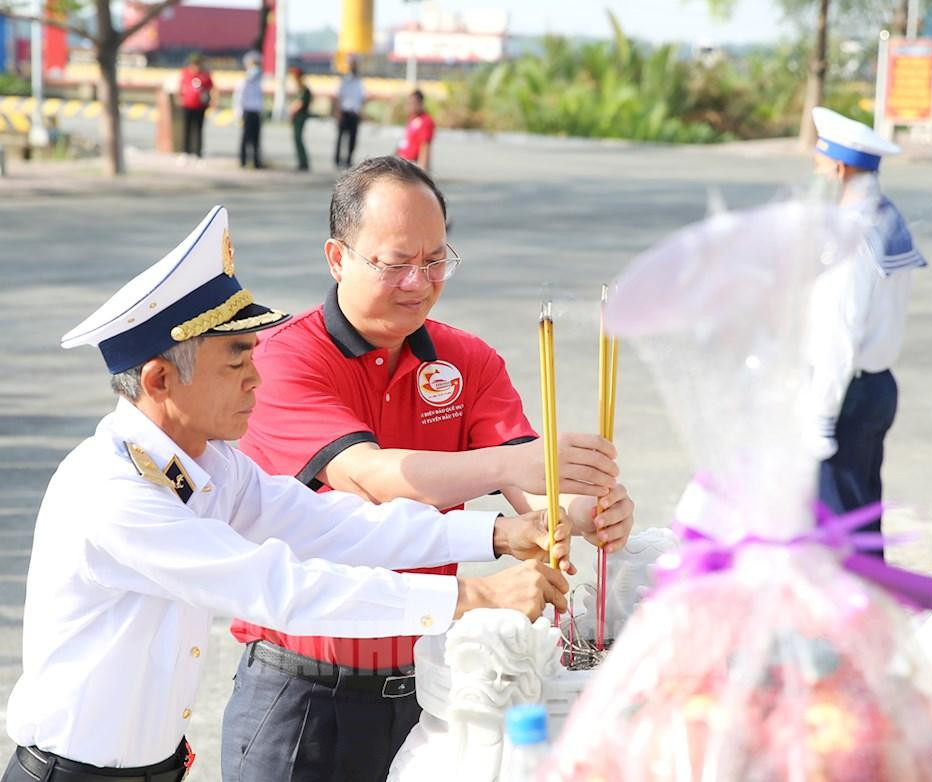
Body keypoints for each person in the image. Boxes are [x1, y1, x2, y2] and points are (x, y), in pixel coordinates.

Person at [0, 205, 573, 782]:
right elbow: (280, 587)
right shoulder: (115, 491)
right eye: (236, 361)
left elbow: (330, 525)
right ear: (159, 379)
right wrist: (471, 596)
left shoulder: (208, 463)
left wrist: (496, 533)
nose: (256, 378)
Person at [221, 156, 635, 782]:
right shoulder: (284, 358)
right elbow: (371, 478)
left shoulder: (466, 359)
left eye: (437, 259)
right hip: (302, 695)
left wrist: (582, 513)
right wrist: (517, 463)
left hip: (429, 689)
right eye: (396, 262)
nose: (419, 280)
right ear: (338, 258)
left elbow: (530, 495)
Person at [808, 106, 927, 559]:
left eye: (819, 166)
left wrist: (820, 417)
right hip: (876, 387)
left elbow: (840, 334)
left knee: (837, 533)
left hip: (845, 394)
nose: (817, 175)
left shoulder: (852, 235)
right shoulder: (885, 218)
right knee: (860, 517)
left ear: (838, 169)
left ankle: (857, 625)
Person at [178, 52, 213, 158]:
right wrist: (180, 98)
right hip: (188, 105)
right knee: (186, 129)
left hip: (200, 106)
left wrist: (212, 101)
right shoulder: (185, 73)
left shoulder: (205, 75)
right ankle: (186, 152)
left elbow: (211, 89)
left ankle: (198, 153)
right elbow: (181, 87)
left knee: (198, 130)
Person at [234, 51, 264, 169]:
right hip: (247, 111)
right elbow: (239, 98)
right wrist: (239, 113)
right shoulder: (244, 81)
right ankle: (243, 160)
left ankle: (256, 161)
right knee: (246, 138)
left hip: (256, 111)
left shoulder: (258, 81)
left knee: (256, 138)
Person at [335, 60, 365, 169]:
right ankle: (337, 160)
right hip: (345, 112)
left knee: (352, 139)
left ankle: (348, 159)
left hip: (354, 113)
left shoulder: (359, 82)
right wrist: (338, 111)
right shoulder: (345, 81)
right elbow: (339, 96)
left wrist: (361, 112)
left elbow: (361, 99)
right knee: (341, 138)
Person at [397, 89, 435, 171]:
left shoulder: (426, 121)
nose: (410, 106)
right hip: (403, 162)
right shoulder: (412, 119)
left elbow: (425, 145)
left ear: (420, 104)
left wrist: (422, 169)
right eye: (409, 103)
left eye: (413, 103)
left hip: (413, 165)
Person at [289, 66, 312, 172]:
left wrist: (292, 110)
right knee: (297, 139)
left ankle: (303, 162)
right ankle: (301, 161)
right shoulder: (300, 89)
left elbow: (299, 104)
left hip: (300, 117)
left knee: (298, 139)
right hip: (297, 117)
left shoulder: (304, 90)